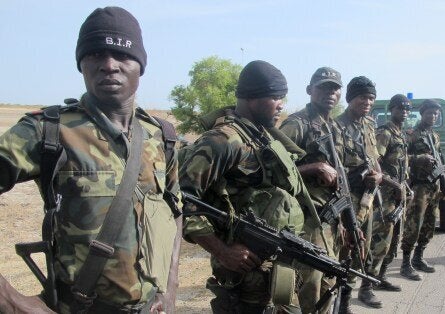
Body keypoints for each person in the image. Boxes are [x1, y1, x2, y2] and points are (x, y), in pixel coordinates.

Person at [0, 7, 182, 313]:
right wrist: (13, 303)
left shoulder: (161, 136)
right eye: (96, 54)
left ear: (140, 65)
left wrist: (170, 286)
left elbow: (174, 210)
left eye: (122, 55)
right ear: (81, 64)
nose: (109, 65)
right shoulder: (50, 131)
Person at [179, 60, 316, 313]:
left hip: (272, 260)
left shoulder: (260, 135)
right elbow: (182, 200)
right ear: (253, 97)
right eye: (276, 97)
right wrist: (223, 251)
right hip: (242, 271)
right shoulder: (223, 140)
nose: (281, 105)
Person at [278, 66, 345, 313]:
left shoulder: (334, 127)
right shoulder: (297, 124)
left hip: (332, 220)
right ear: (309, 90)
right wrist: (314, 167)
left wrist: (347, 223)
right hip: (308, 220)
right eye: (323, 88)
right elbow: (273, 168)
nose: (330, 93)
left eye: (335, 89)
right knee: (310, 286)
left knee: (330, 281)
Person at [335, 76, 384, 311]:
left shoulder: (369, 124)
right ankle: (340, 300)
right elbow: (331, 167)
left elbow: (375, 157)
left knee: (363, 250)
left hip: (368, 198)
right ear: (350, 98)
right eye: (362, 97)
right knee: (346, 250)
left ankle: (357, 293)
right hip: (348, 200)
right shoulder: (336, 126)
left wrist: (380, 176)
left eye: (371, 98)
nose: (367, 101)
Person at [369, 94, 412, 293]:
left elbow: (402, 165)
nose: (403, 113)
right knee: (380, 243)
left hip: (398, 196)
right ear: (391, 109)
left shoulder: (401, 134)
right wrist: (395, 185)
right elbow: (374, 165)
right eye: (399, 109)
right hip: (384, 197)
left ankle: (382, 277)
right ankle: (366, 288)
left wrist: (405, 186)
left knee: (394, 240)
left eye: (406, 110)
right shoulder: (384, 133)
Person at [399, 99, 444, 280]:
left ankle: (419, 257)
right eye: (429, 113)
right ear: (421, 114)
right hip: (418, 187)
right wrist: (418, 158)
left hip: (434, 186)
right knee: (413, 225)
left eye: (435, 114)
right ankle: (405, 263)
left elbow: (439, 159)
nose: (432, 116)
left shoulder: (434, 136)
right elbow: (401, 158)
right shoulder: (411, 135)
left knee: (429, 224)